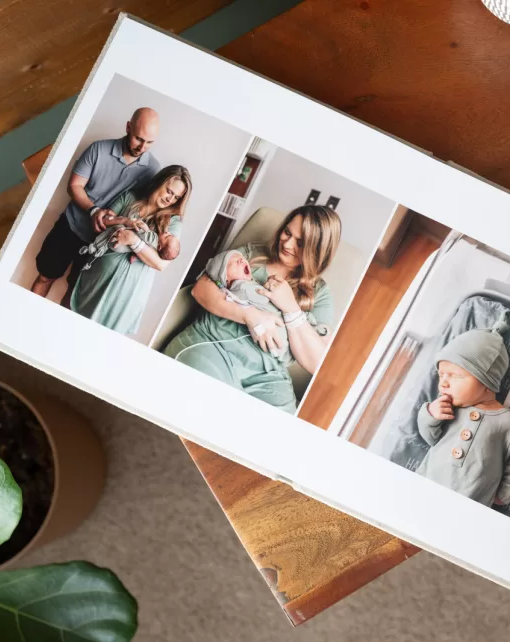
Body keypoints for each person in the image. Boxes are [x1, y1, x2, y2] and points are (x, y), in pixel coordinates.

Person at [164, 205, 341, 413]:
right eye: (287, 232)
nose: (287, 243)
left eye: (300, 243)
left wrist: (291, 308)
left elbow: (317, 362)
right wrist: (250, 316)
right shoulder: (250, 255)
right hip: (216, 343)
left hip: (267, 373)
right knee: (214, 404)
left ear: (317, 250)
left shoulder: (319, 293)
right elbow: (200, 289)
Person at [30, 107, 162, 300]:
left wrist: (138, 244)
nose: (142, 147)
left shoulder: (153, 169)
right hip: (70, 227)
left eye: (149, 142)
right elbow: (74, 186)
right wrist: (93, 210)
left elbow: (144, 210)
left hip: (104, 243)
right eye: (138, 139)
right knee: (45, 277)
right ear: (128, 127)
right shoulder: (98, 149)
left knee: (75, 295)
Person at [415, 311, 510, 507]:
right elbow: (430, 438)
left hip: (469, 504)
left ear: (488, 382)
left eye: (454, 376)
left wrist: (503, 494)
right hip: (423, 487)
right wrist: (430, 415)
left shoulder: (508, 422)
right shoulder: (448, 409)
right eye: (441, 375)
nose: (443, 383)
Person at [69, 165, 192, 335]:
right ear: (160, 183)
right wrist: (125, 221)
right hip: (98, 276)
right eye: (169, 191)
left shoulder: (173, 221)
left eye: (176, 197)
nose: (170, 200)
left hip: (128, 291)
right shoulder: (130, 197)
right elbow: (102, 221)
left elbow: (162, 263)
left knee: (104, 338)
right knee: (74, 325)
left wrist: (133, 240)